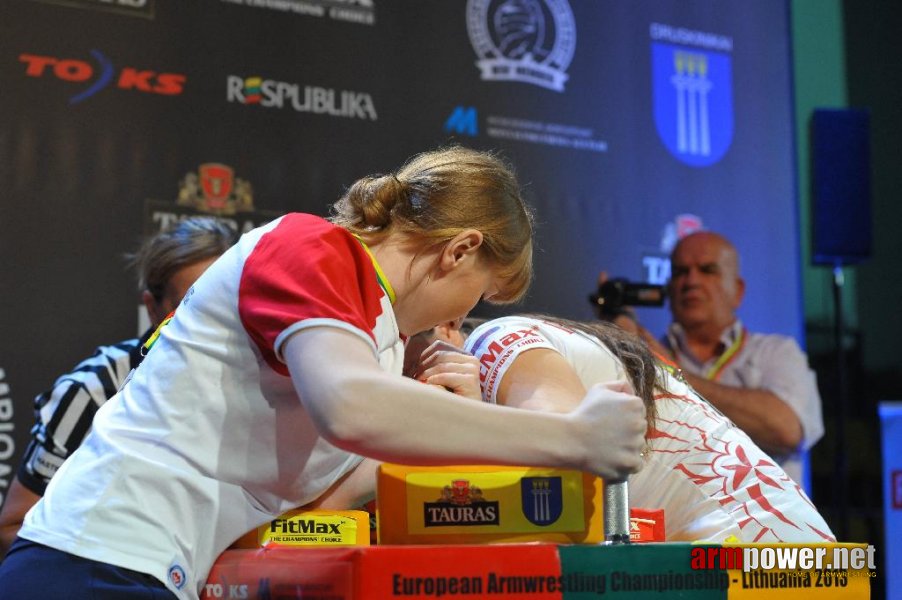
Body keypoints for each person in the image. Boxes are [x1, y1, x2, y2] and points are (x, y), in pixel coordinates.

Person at [0, 146, 648, 599]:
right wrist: (569, 436)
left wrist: (451, 423)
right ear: (460, 250)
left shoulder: (378, 344)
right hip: (91, 562)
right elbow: (352, 409)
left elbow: (328, 488)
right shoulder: (309, 248)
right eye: (479, 295)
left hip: (153, 573)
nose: (465, 317)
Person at [411, 314, 835, 543]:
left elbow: (574, 480)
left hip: (761, 553)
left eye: (404, 346)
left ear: (448, 327)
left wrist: (474, 431)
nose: (400, 377)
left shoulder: (495, 342)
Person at [0, 217, 237, 557]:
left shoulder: (268, 390)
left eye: (225, 303)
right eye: (192, 306)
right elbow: (13, 527)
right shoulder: (92, 390)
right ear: (153, 308)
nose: (213, 321)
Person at [600, 231, 824, 486]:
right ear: (669, 289)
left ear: (737, 291)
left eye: (707, 270)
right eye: (680, 272)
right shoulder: (643, 359)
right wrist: (622, 351)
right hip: (673, 522)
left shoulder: (776, 352)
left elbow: (787, 430)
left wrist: (669, 372)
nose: (691, 280)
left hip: (758, 524)